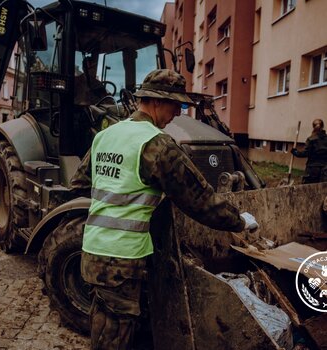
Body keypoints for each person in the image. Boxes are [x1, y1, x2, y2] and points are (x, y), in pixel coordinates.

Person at [69, 69, 258, 350]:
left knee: (105, 321)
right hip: (123, 258)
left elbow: (80, 183)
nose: (178, 113)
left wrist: (128, 193)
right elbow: (199, 200)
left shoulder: (106, 136)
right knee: (116, 335)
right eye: (176, 105)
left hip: (94, 249)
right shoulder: (156, 144)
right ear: (157, 101)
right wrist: (239, 222)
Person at [291, 118, 327, 184]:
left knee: (309, 188)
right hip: (325, 169)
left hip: (313, 169)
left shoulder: (311, 139)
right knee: (323, 189)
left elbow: (305, 153)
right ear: (323, 126)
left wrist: (295, 152)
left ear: (313, 127)